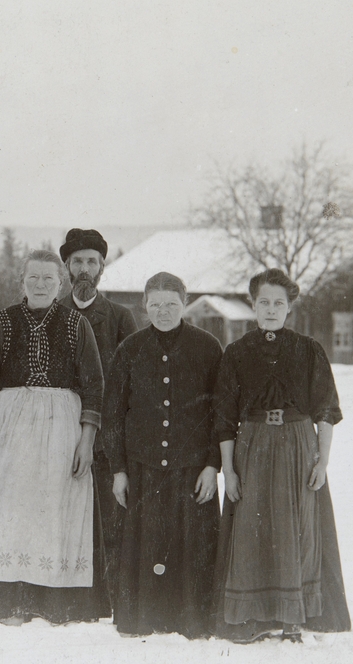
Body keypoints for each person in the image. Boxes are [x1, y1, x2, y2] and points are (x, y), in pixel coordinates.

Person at [0, 249, 107, 625]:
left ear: (61, 284)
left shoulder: (76, 325)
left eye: (48, 280)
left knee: (55, 513)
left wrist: (85, 443)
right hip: (12, 432)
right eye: (33, 278)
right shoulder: (0, 323)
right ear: (21, 282)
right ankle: (6, 602)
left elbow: (94, 385)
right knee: (11, 513)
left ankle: (54, 604)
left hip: (63, 431)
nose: (40, 285)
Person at [210, 268, 352, 643]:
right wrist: (230, 471)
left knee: (298, 527)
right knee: (251, 530)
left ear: (289, 308)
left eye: (279, 303)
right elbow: (224, 420)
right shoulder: (237, 353)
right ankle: (253, 615)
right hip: (252, 446)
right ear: (252, 306)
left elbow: (325, 411)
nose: (271, 309)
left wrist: (323, 462)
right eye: (264, 303)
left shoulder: (308, 350)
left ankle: (294, 616)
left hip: (298, 445)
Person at [102, 272, 224, 638]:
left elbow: (221, 412)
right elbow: (113, 414)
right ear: (145, 307)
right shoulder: (130, 349)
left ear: (184, 304)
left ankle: (193, 623)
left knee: (193, 546)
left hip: (192, 469)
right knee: (145, 544)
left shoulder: (207, 346)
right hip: (144, 468)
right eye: (155, 304)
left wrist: (212, 465)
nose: (163, 311)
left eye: (171, 303)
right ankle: (143, 621)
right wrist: (119, 470)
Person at [58, 228, 138, 611]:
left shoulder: (121, 318)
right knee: (63, 518)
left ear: (103, 267)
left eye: (92, 261)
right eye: (78, 262)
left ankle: (109, 601)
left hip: (106, 440)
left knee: (110, 522)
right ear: (67, 267)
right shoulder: (51, 312)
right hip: (58, 435)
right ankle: (63, 597)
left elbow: (133, 385)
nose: (85, 268)